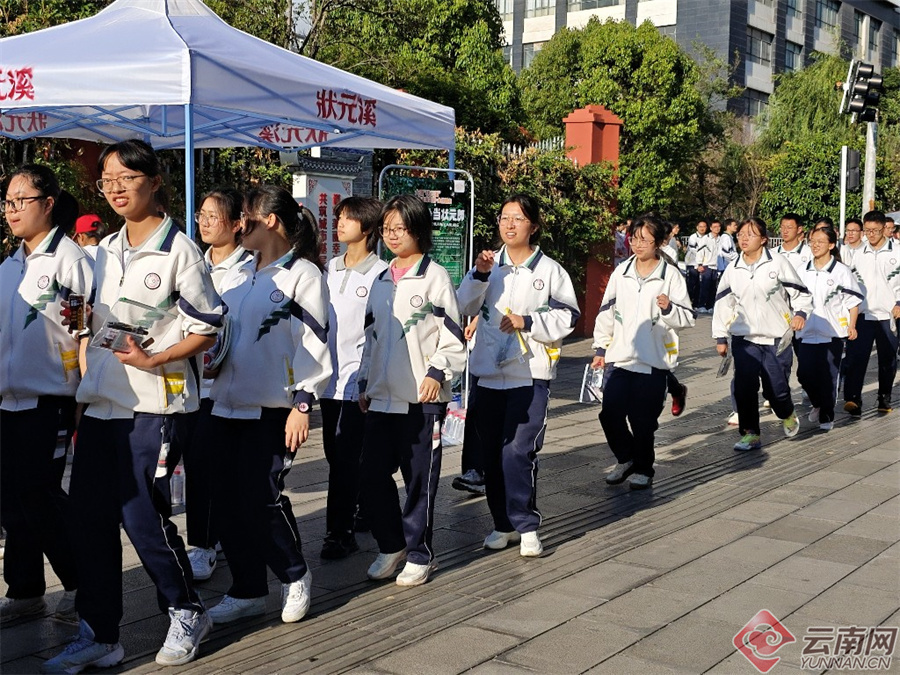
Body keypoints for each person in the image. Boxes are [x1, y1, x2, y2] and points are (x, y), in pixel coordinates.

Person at [43, 140, 224, 673]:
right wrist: (79, 331)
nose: (116, 187)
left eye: (127, 177)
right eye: (107, 179)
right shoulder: (101, 252)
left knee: (142, 516)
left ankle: (187, 609)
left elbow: (208, 327)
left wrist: (156, 358)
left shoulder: (179, 252)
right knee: (89, 521)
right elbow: (90, 321)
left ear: (155, 179)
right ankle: (100, 634)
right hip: (101, 406)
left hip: (156, 406)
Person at [205, 186, 330, 625]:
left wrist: (302, 403)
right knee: (226, 501)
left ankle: (294, 574)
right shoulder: (236, 274)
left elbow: (313, 343)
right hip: (224, 404)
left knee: (261, 496)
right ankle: (247, 589)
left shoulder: (303, 276)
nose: (239, 226)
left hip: (273, 409)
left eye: (246, 219)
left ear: (271, 221)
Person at [457, 194, 579, 555]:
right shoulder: (488, 266)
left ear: (534, 226)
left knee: (517, 451)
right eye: (504, 217)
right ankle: (503, 524)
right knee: (492, 453)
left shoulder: (550, 271)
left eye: (518, 218)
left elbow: (569, 316)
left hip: (531, 375)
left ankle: (526, 525)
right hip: (488, 374)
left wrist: (528, 322)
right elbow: (463, 304)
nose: (509, 225)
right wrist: (479, 274)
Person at [357, 194, 466, 587]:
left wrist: (438, 371)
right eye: (387, 229)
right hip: (382, 398)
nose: (393, 236)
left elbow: (453, 337)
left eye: (400, 228)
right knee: (369, 476)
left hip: (421, 401)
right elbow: (371, 338)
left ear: (418, 229)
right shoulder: (381, 280)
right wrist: (364, 381)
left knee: (419, 480)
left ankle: (420, 553)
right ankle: (392, 545)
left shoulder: (435, 277)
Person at [0, 165, 92, 625]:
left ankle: (80, 582)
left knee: (39, 492)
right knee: (10, 497)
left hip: (52, 399)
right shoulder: (8, 265)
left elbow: (86, 331)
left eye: (22, 200)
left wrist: (81, 397)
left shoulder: (70, 261)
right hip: (7, 402)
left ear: (48, 204)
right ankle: (24, 591)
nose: (11, 209)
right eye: (8, 201)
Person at [591, 215, 695, 489]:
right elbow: (606, 311)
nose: (638, 245)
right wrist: (601, 347)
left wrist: (669, 309)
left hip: (653, 360)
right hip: (620, 356)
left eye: (645, 240)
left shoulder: (670, 275)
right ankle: (626, 457)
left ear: (660, 242)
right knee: (609, 414)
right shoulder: (621, 272)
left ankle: (645, 470)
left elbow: (687, 317)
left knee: (642, 420)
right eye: (634, 238)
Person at [182, 189, 252, 582]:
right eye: (201, 216)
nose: (205, 223)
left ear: (237, 224)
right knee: (197, 466)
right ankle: (205, 542)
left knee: (220, 469)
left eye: (214, 216)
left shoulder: (248, 269)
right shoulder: (192, 262)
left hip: (231, 383)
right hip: (192, 381)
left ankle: (214, 540)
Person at [319, 196, 388, 559]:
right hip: (328, 381)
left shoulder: (380, 274)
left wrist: (368, 379)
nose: (340, 223)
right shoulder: (329, 269)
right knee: (338, 455)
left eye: (347, 218)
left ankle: (338, 533)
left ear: (367, 227)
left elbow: (377, 333)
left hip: (358, 383)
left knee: (346, 458)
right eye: (339, 217)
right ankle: (361, 509)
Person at [712, 218, 812, 451]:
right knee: (744, 387)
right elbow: (723, 303)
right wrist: (720, 336)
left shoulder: (777, 262)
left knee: (775, 389)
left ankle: (786, 412)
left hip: (776, 337)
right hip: (744, 338)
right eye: (741, 235)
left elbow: (801, 294)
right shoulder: (733, 268)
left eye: (750, 234)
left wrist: (800, 314)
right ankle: (750, 433)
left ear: (764, 239)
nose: (744, 239)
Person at [796, 226, 862, 431]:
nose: (815, 245)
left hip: (832, 333)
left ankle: (826, 415)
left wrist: (852, 326)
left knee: (828, 377)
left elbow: (853, 302)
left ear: (832, 245)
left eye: (820, 241)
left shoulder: (841, 272)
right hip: (805, 333)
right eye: (812, 241)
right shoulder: (802, 270)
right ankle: (817, 403)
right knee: (803, 374)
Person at [842, 210, 900, 415]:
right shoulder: (857, 254)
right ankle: (852, 399)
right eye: (867, 231)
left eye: (875, 230)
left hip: (888, 315)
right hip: (863, 315)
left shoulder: (897, 252)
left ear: (885, 228)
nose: (871, 235)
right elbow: (848, 284)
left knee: (887, 359)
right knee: (856, 357)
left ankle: (884, 397)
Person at [451, 316, 486, 495]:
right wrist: (476, 321)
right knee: (475, 411)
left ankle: (489, 472)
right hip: (484, 353)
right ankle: (474, 471)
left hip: (514, 357)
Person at [685, 220, 714, 313]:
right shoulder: (693, 237)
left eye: (704, 226)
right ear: (697, 227)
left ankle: (696, 304)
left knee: (699, 285)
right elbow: (694, 250)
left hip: (703, 264)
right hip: (692, 264)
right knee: (691, 284)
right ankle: (687, 303)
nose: (702, 228)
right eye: (700, 226)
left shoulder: (708, 238)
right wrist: (698, 263)